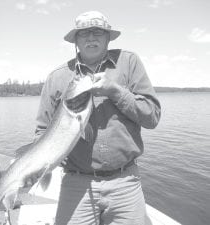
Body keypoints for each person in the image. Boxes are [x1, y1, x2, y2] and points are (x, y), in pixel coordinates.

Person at [34, 11, 161, 225]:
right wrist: (36, 166)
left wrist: (115, 91)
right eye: (84, 33)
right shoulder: (57, 77)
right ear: (75, 40)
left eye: (97, 32)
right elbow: (41, 132)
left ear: (108, 38)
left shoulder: (129, 62)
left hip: (126, 182)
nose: (91, 38)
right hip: (76, 183)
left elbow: (152, 117)